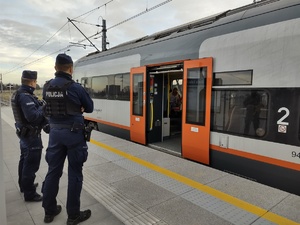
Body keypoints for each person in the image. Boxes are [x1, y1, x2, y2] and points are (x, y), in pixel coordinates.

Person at [42, 53, 94, 224]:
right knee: (75, 174)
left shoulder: (47, 87)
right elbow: (90, 108)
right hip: (74, 135)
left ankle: (49, 211)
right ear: (71, 69)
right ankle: (73, 215)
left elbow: (47, 107)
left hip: (55, 135)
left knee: (53, 172)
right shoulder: (75, 87)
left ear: (55, 67)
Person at [11, 70, 48, 202]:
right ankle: (30, 193)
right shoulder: (25, 96)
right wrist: (43, 107)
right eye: (35, 81)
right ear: (32, 82)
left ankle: (24, 185)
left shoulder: (18, 93)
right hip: (31, 136)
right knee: (30, 165)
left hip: (24, 135)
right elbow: (33, 117)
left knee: (24, 160)